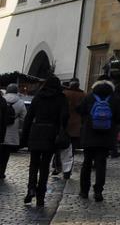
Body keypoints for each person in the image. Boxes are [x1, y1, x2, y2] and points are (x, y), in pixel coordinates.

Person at [21, 75, 69, 207]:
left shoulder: (39, 96)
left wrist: (24, 137)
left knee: (33, 164)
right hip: (51, 134)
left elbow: (29, 117)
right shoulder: (61, 98)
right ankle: (40, 196)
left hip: (36, 132)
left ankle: (31, 188)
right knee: (44, 166)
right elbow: (65, 117)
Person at [77, 76, 120, 202]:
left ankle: (84, 191)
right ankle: (98, 191)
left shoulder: (89, 97)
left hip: (89, 135)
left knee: (86, 164)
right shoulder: (114, 98)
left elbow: (80, 110)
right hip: (106, 137)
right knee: (101, 164)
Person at [0, 83, 26, 178]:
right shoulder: (20, 102)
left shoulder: (2, 99)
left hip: (1, 129)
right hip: (12, 130)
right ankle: (2, 172)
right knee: (6, 154)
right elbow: (24, 117)